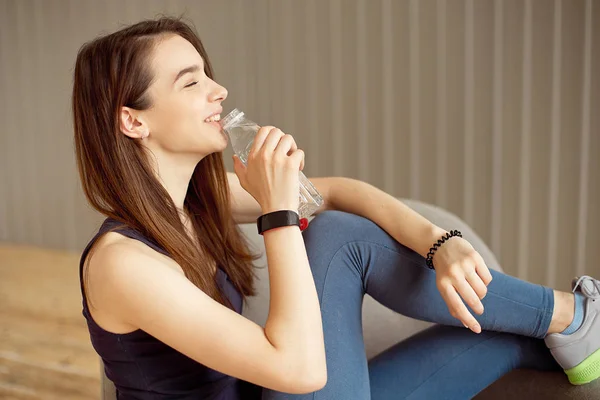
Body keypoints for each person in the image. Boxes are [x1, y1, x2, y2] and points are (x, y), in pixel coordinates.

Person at [72, 16, 599, 400]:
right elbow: (299, 370)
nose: (219, 90)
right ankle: (578, 315)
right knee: (333, 237)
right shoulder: (122, 264)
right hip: (295, 378)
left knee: (504, 341)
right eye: (191, 81)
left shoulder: (197, 203)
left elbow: (344, 191)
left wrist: (443, 243)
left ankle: (576, 323)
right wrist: (278, 214)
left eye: (208, 73)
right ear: (133, 121)